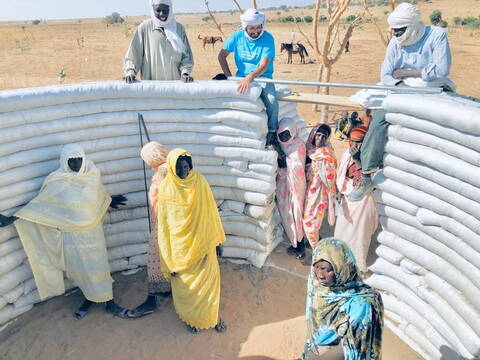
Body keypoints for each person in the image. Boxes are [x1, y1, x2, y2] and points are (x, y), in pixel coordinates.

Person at [0, 144, 128, 319]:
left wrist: (109, 200)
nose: (76, 163)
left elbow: (97, 197)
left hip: (93, 234)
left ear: (84, 159)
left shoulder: (91, 175)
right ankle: (89, 299)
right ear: (64, 161)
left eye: (79, 159)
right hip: (72, 237)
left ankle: (110, 302)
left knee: (99, 267)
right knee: (81, 270)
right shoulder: (57, 180)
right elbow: (41, 205)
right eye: (72, 160)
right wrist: (13, 218)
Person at [349, 2, 452, 200]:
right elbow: (386, 74)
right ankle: (367, 173)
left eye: (399, 31)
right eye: (394, 32)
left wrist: (406, 72)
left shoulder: (436, 35)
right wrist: (404, 85)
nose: (396, 35)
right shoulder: (395, 43)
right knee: (379, 120)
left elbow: (440, 70)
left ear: (412, 26)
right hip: (402, 91)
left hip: (434, 91)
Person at [157, 148, 227, 333]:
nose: (183, 172)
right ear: (172, 168)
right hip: (181, 250)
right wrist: (167, 258)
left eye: (186, 167)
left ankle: (213, 317)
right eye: (179, 168)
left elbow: (212, 212)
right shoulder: (166, 188)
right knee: (187, 288)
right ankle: (190, 319)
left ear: (191, 165)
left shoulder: (200, 182)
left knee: (210, 286)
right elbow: (164, 227)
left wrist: (218, 241)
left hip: (204, 244)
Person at [301, 238, 383, 360]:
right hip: (313, 351)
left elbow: (352, 347)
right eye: (317, 267)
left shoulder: (361, 304)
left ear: (342, 268)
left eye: (327, 269)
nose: (320, 275)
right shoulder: (316, 284)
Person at [218, 8, 280, 149]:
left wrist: (250, 77)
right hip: (240, 77)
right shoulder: (237, 37)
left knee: (271, 101)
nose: (256, 31)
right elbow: (221, 56)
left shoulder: (268, 38)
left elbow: (264, 65)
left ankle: (271, 133)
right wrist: (229, 77)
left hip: (263, 77)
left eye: (259, 27)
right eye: (252, 28)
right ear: (245, 27)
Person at [127, 142, 171, 318]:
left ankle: (154, 298)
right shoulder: (172, 167)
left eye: (146, 159)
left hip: (165, 224)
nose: (146, 163)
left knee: (155, 257)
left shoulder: (164, 172)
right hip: (169, 223)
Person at [334, 126, 378, 273]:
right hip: (348, 198)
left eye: (359, 142)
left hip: (364, 201)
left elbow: (370, 182)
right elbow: (341, 174)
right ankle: (339, 259)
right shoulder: (347, 154)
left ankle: (358, 266)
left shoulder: (371, 157)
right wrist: (339, 191)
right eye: (353, 142)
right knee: (342, 230)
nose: (355, 146)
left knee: (360, 235)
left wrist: (358, 160)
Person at [124, 0, 194, 83]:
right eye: (158, 10)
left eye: (165, 10)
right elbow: (134, 53)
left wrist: (185, 73)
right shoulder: (145, 27)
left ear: (170, 9)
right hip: (151, 88)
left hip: (175, 87)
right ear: (152, 9)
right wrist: (130, 72)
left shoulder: (179, 28)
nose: (162, 14)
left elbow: (186, 55)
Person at [276, 117, 307, 260]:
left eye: (287, 134)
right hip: (283, 186)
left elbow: (297, 166)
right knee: (286, 214)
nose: (284, 137)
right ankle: (296, 241)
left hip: (296, 187)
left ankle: (299, 245)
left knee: (296, 213)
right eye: (281, 134)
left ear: (293, 132)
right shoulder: (280, 145)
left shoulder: (299, 145)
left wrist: (283, 161)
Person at [303, 125, 337, 249]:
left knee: (309, 223)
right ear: (313, 135)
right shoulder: (310, 150)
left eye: (324, 136)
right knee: (311, 220)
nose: (320, 138)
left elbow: (330, 178)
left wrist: (331, 194)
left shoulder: (325, 154)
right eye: (318, 135)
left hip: (318, 193)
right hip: (307, 189)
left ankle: (316, 250)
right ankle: (315, 241)